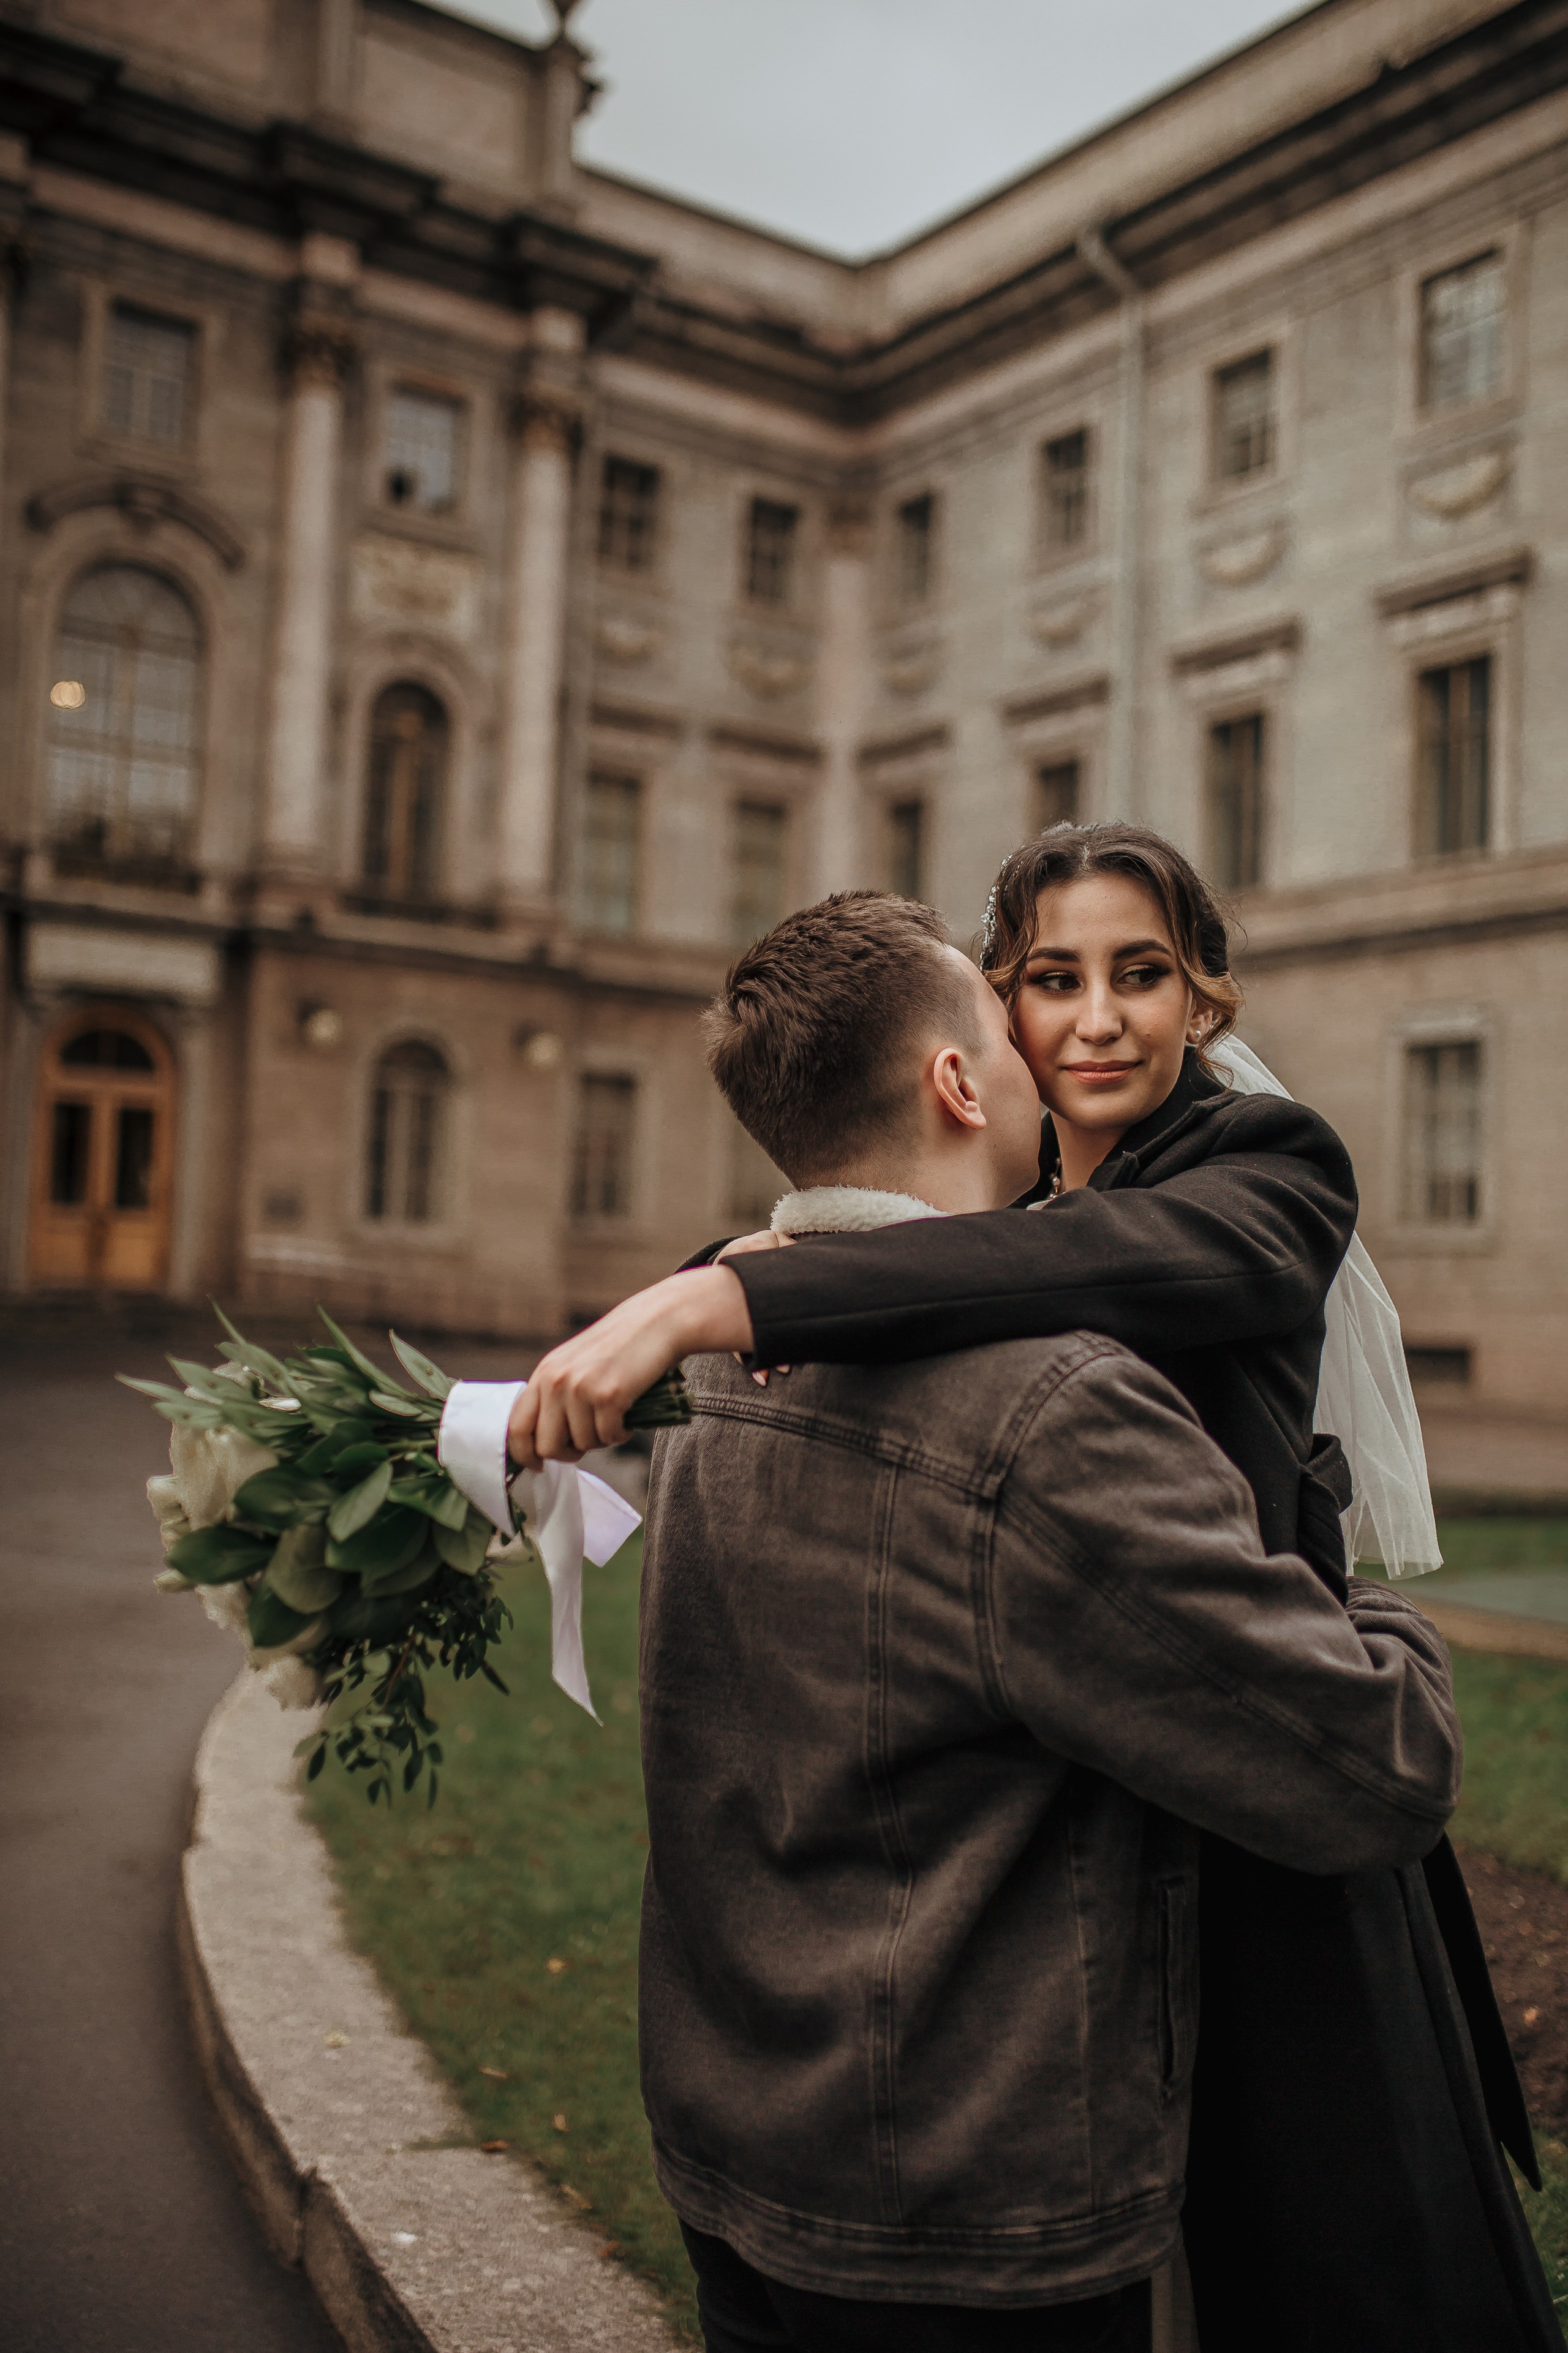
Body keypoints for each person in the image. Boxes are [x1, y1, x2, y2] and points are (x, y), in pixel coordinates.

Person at [511, 832, 1558, 2353]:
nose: (1095, 1019)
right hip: (1067, 1854)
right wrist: (740, 1275)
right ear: (981, 1042)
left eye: (1142, 975)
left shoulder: (1263, 1163)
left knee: (1334, 2243)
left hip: (1258, 1789)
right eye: (1048, 984)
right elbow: (938, 1252)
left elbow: (1018, 1261)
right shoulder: (984, 1239)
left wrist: (728, 1292)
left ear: (1204, 999)